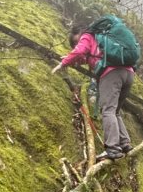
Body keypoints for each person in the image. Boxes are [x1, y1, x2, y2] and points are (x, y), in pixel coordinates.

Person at [52, 25, 134, 162]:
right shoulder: (101, 39)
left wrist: (63, 63)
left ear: (80, 34)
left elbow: (79, 52)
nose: (76, 45)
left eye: (75, 43)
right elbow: (88, 57)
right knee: (115, 111)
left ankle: (112, 149)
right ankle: (125, 144)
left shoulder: (87, 35)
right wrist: (71, 59)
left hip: (112, 73)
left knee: (108, 111)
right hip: (128, 73)